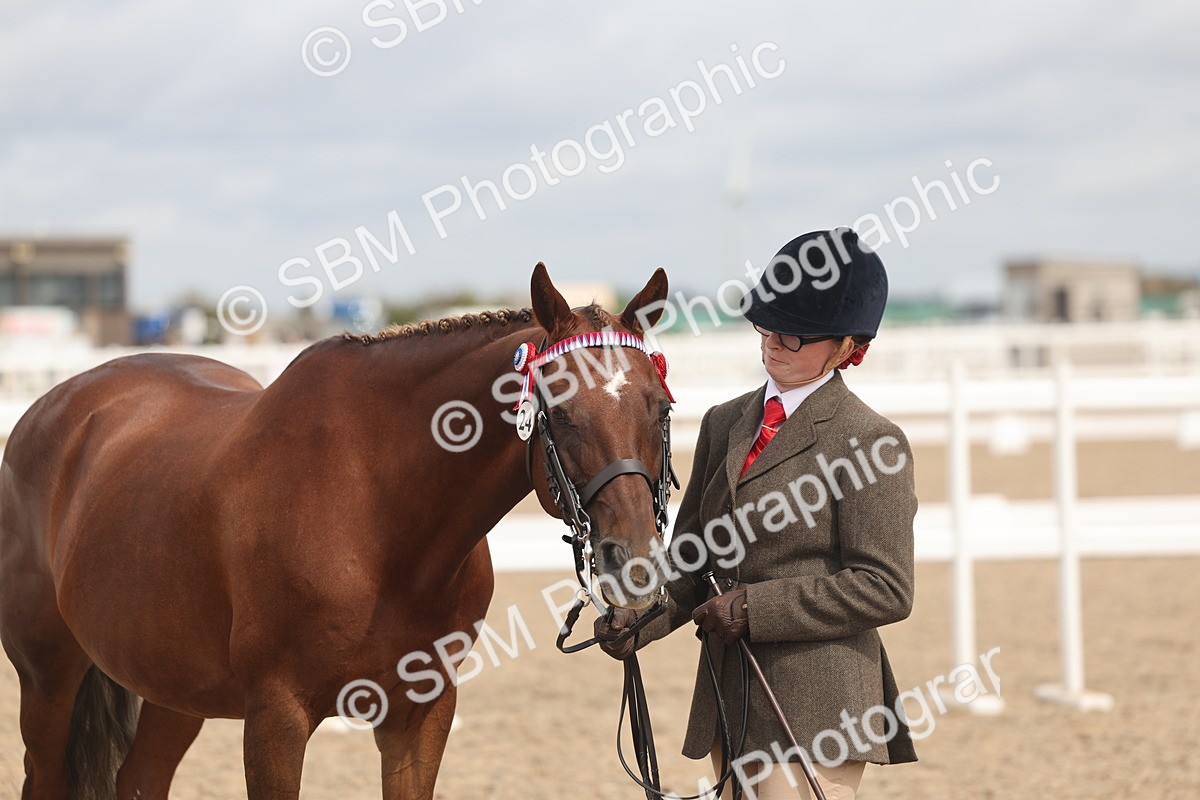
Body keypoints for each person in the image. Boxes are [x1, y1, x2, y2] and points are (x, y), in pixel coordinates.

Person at [596, 227, 917, 800]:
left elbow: (886, 588)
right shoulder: (725, 423)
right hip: (732, 689)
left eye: (796, 336)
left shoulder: (870, 442)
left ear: (847, 346)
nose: (774, 343)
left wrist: (754, 607)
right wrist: (638, 620)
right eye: (768, 327)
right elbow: (694, 560)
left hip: (820, 698)